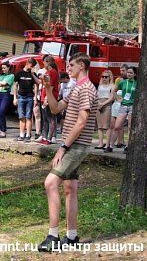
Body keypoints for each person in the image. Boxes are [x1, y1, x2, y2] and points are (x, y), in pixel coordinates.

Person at [37, 52, 98, 251]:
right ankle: (72, 238)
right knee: (70, 189)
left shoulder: (87, 88)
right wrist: (47, 87)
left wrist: (63, 148)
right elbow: (55, 109)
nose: (68, 68)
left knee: (50, 183)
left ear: (81, 65)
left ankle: (53, 236)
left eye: (71, 65)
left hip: (76, 145)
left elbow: (82, 122)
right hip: (72, 144)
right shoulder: (76, 88)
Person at [105, 66, 136, 153]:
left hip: (132, 106)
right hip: (123, 105)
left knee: (130, 126)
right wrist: (118, 98)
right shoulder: (122, 82)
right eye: (128, 72)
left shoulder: (137, 83)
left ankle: (128, 146)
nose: (129, 74)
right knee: (117, 126)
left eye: (131, 73)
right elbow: (114, 90)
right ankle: (110, 146)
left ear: (135, 74)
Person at [13, 58, 38, 142]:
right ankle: (21, 134)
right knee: (21, 117)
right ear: (27, 63)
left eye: (33, 66)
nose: (32, 67)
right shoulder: (19, 73)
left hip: (30, 97)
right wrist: (15, 98)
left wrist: (35, 98)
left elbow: (36, 86)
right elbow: (15, 86)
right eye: (31, 65)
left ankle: (28, 135)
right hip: (20, 97)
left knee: (28, 117)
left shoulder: (33, 74)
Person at [39, 55, 60, 145]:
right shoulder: (47, 72)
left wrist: (46, 99)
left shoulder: (53, 72)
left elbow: (50, 87)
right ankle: (44, 137)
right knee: (45, 118)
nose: (43, 63)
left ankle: (50, 138)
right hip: (44, 97)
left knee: (51, 118)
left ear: (48, 62)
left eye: (44, 62)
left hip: (50, 98)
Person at [0, 62, 14, 138]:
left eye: (4, 68)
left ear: (8, 68)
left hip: (5, 95)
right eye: (2, 68)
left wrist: (0, 84)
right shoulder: (0, 75)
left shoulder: (11, 76)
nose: (3, 69)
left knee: (2, 112)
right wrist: (0, 83)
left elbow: (5, 83)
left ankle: (3, 130)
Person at [95, 70, 114, 149]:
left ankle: (107, 144)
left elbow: (112, 98)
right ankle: (100, 143)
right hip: (99, 105)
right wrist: (98, 103)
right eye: (102, 76)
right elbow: (97, 94)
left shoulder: (112, 86)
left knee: (107, 126)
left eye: (106, 77)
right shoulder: (100, 85)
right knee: (99, 126)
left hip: (107, 105)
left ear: (109, 77)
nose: (104, 78)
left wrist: (103, 104)